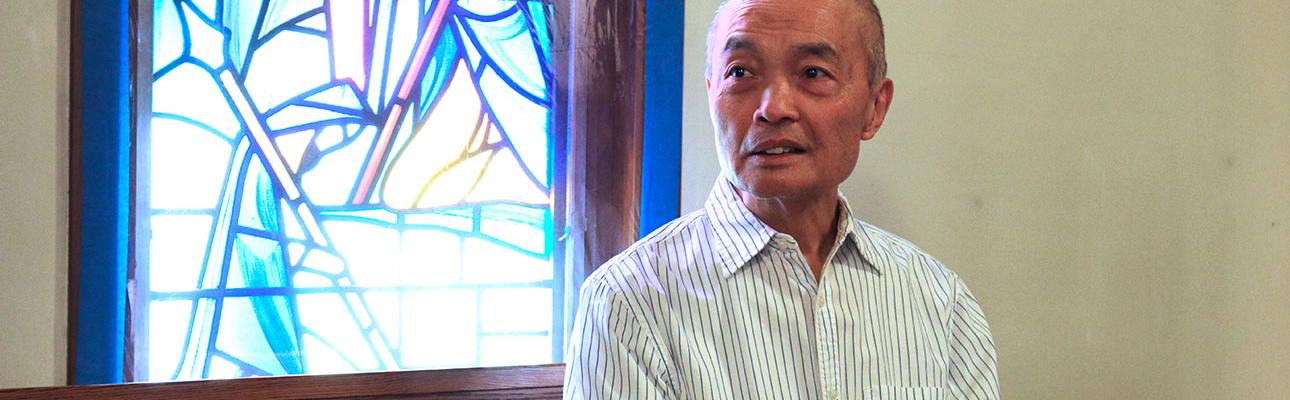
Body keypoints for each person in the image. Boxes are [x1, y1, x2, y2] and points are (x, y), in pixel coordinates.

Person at [564, 0, 999, 398]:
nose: (773, 108)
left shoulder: (941, 304)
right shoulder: (627, 304)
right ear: (711, 92)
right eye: (741, 72)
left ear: (874, 108)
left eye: (812, 73)